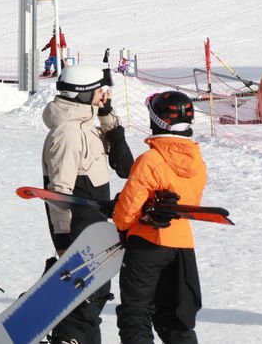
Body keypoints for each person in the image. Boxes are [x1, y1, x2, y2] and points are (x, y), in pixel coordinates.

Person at [41, 63, 133, 344]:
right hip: (79, 232)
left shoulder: (86, 126)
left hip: (95, 229)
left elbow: (125, 165)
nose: (103, 94)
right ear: (82, 93)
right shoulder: (68, 133)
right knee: (87, 300)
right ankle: (59, 331)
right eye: (97, 90)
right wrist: (64, 241)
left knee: (93, 300)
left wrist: (106, 115)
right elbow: (58, 193)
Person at [112, 91, 207, 344]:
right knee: (173, 316)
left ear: (156, 121)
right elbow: (192, 204)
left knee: (136, 311)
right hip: (182, 245)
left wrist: (120, 221)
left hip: (147, 243)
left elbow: (127, 212)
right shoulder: (197, 161)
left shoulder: (150, 160)